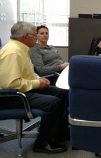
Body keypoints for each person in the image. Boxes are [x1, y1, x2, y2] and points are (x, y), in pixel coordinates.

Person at [0, 21, 67, 154]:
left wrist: (38, 79)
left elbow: (28, 73)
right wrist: (37, 83)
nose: (36, 37)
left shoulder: (22, 49)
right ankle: (42, 143)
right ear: (25, 36)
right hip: (11, 96)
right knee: (54, 103)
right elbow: (11, 84)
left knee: (62, 92)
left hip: (22, 89)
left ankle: (58, 133)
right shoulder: (13, 52)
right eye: (34, 35)